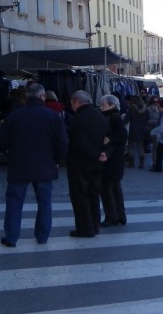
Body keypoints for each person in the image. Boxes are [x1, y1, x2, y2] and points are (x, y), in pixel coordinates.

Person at [0, 83, 68, 247]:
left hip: (19, 166)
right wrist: (56, 160)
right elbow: (63, 143)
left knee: (14, 201)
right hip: (45, 166)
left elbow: (0, 141)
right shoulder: (53, 116)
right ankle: (42, 237)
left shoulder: (15, 116)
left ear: (26, 97)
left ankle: (11, 238)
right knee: (44, 202)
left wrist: (10, 153)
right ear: (42, 97)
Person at [66, 90, 109, 238]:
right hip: (97, 164)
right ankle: (95, 225)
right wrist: (103, 153)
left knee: (80, 196)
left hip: (80, 164)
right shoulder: (100, 116)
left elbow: (79, 143)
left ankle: (85, 228)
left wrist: (96, 153)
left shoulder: (79, 118)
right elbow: (107, 138)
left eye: (72, 103)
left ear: (76, 102)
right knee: (93, 194)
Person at [99, 94, 128, 227]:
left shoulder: (114, 118)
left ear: (111, 105)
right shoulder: (113, 117)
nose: (101, 107)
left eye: (103, 105)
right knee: (115, 188)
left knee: (107, 188)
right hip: (115, 158)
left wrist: (109, 139)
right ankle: (120, 215)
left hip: (112, 158)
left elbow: (122, 135)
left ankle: (112, 216)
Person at [124, 95, 147, 168]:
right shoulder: (144, 107)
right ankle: (142, 163)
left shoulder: (131, 108)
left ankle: (132, 163)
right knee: (140, 146)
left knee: (130, 146)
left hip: (133, 129)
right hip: (142, 129)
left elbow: (126, 120)